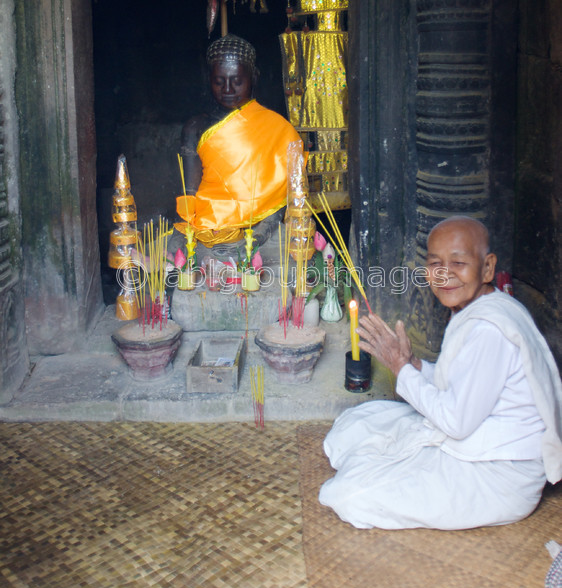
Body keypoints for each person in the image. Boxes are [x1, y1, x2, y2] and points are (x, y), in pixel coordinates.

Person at [319, 216, 562, 530]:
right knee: (357, 422)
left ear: (487, 268)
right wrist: (417, 367)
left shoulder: (490, 331)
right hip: (476, 440)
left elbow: (456, 422)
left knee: (348, 495)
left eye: (459, 263)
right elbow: (465, 382)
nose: (445, 274)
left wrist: (401, 369)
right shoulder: (490, 305)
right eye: (435, 264)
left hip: (496, 475)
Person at [175, 33, 303, 248]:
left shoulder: (278, 128)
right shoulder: (195, 127)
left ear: (253, 78)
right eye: (219, 81)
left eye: (237, 82)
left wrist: (262, 232)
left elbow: (284, 196)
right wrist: (189, 230)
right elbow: (189, 192)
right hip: (208, 226)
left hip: (263, 226)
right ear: (209, 80)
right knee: (174, 252)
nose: (227, 90)